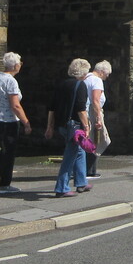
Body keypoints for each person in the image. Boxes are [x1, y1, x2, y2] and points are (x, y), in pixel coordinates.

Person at [0, 52, 31, 195]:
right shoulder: (10, 81)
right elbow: (15, 105)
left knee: (5, 149)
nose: (21, 65)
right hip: (7, 120)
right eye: (20, 63)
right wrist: (26, 122)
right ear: (16, 65)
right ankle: (4, 184)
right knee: (9, 152)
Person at [45, 59, 92, 197]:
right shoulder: (80, 85)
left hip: (62, 124)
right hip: (75, 126)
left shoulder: (61, 84)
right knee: (70, 155)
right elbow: (81, 109)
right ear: (83, 72)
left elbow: (52, 107)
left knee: (79, 151)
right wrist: (87, 126)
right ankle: (61, 188)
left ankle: (81, 182)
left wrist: (50, 126)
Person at [82, 60, 112, 180]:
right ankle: (89, 171)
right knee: (100, 141)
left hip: (86, 113)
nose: (107, 76)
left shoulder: (85, 78)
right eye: (107, 74)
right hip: (93, 113)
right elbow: (95, 100)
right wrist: (98, 118)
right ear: (102, 71)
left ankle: (87, 170)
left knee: (89, 141)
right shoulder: (97, 80)